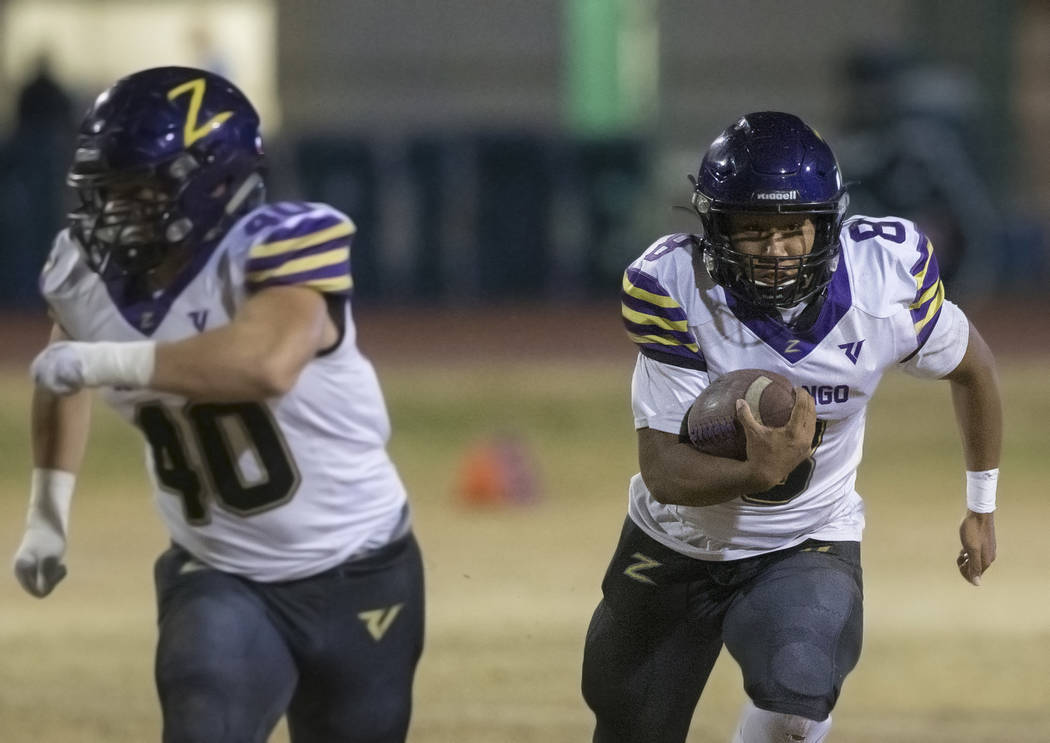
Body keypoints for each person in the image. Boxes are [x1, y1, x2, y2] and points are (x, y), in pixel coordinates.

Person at [13, 66, 424, 743]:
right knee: (204, 715)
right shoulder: (82, 275)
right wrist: (47, 515)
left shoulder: (288, 240)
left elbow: (266, 363)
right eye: (105, 190)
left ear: (211, 181)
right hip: (219, 570)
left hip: (362, 565)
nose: (114, 209)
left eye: (139, 189)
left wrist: (102, 362)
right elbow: (62, 370)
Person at [581, 111, 1001, 743]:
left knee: (796, 698)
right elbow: (663, 470)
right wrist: (756, 469)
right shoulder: (673, 288)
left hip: (806, 539)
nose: (774, 253)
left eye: (791, 231)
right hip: (676, 539)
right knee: (629, 722)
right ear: (716, 228)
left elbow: (976, 370)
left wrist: (982, 505)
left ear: (825, 226)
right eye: (752, 231)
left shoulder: (882, 282)